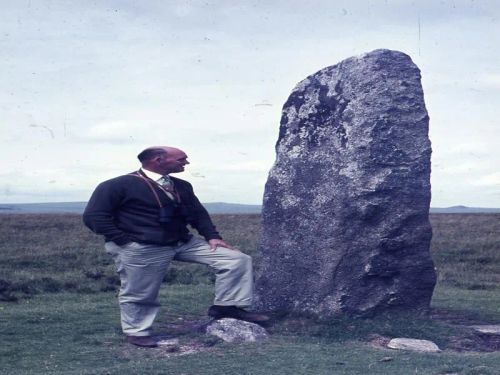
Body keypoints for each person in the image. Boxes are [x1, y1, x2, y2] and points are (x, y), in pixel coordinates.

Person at [83, 146, 268, 347]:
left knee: (236, 260)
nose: (186, 163)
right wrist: (124, 241)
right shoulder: (118, 185)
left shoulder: (182, 186)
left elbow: (198, 213)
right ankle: (137, 332)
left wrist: (212, 237)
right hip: (142, 246)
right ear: (158, 160)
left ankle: (227, 307)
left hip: (181, 242)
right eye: (181, 159)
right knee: (140, 291)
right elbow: (94, 217)